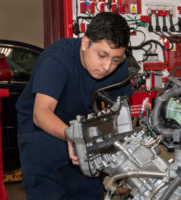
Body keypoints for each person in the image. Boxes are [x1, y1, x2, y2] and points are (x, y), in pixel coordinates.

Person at [16, 12, 132, 200]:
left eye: (115, 60)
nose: (107, 66)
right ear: (85, 43)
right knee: (47, 194)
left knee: (89, 194)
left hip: (84, 135)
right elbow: (41, 113)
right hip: (42, 133)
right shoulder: (58, 58)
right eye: (102, 55)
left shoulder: (119, 65)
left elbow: (122, 112)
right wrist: (73, 137)